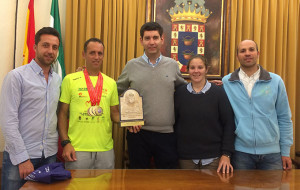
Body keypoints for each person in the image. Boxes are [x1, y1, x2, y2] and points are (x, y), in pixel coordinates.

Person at [117, 22, 186, 169]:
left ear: (162, 39)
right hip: (138, 134)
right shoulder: (131, 65)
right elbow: (116, 92)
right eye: (147, 38)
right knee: (139, 180)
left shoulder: (173, 65)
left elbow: (185, 91)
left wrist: (208, 86)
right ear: (141, 40)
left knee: (167, 180)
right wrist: (128, 118)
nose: (152, 42)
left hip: (167, 134)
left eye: (155, 37)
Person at [0, 27, 61, 189]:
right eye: (45, 45)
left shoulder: (57, 80)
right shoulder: (16, 77)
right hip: (21, 158)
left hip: (49, 156)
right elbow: (8, 122)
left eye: (55, 47)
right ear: (35, 47)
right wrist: (22, 159)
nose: (50, 51)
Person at [222, 40, 293, 170]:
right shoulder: (227, 82)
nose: (247, 53)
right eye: (242, 51)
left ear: (258, 53)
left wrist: (286, 151)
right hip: (241, 153)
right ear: (237, 56)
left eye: (251, 49)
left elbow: (284, 118)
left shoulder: (275, 81)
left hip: (272, 154)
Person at [58, 38, 119, 169]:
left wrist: (132, 121)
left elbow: (114, 115)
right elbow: (62, 114)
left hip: (105, 149)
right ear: (83, 54)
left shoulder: (111, 83)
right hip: (77, 149)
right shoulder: (70, 80)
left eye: (100, 53)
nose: (96, 57)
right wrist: (65, 143)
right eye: (92, 53)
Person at [174, 55, 235, 173]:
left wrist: (226, 154)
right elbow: (174, 124)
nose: (196, 71)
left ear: (206, 69)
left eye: (200, 67)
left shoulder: (218, 93)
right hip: (186, 158)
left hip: (214, 159)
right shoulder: (180, 94)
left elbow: (229, 124)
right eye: (192, 68)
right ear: (187, 70)